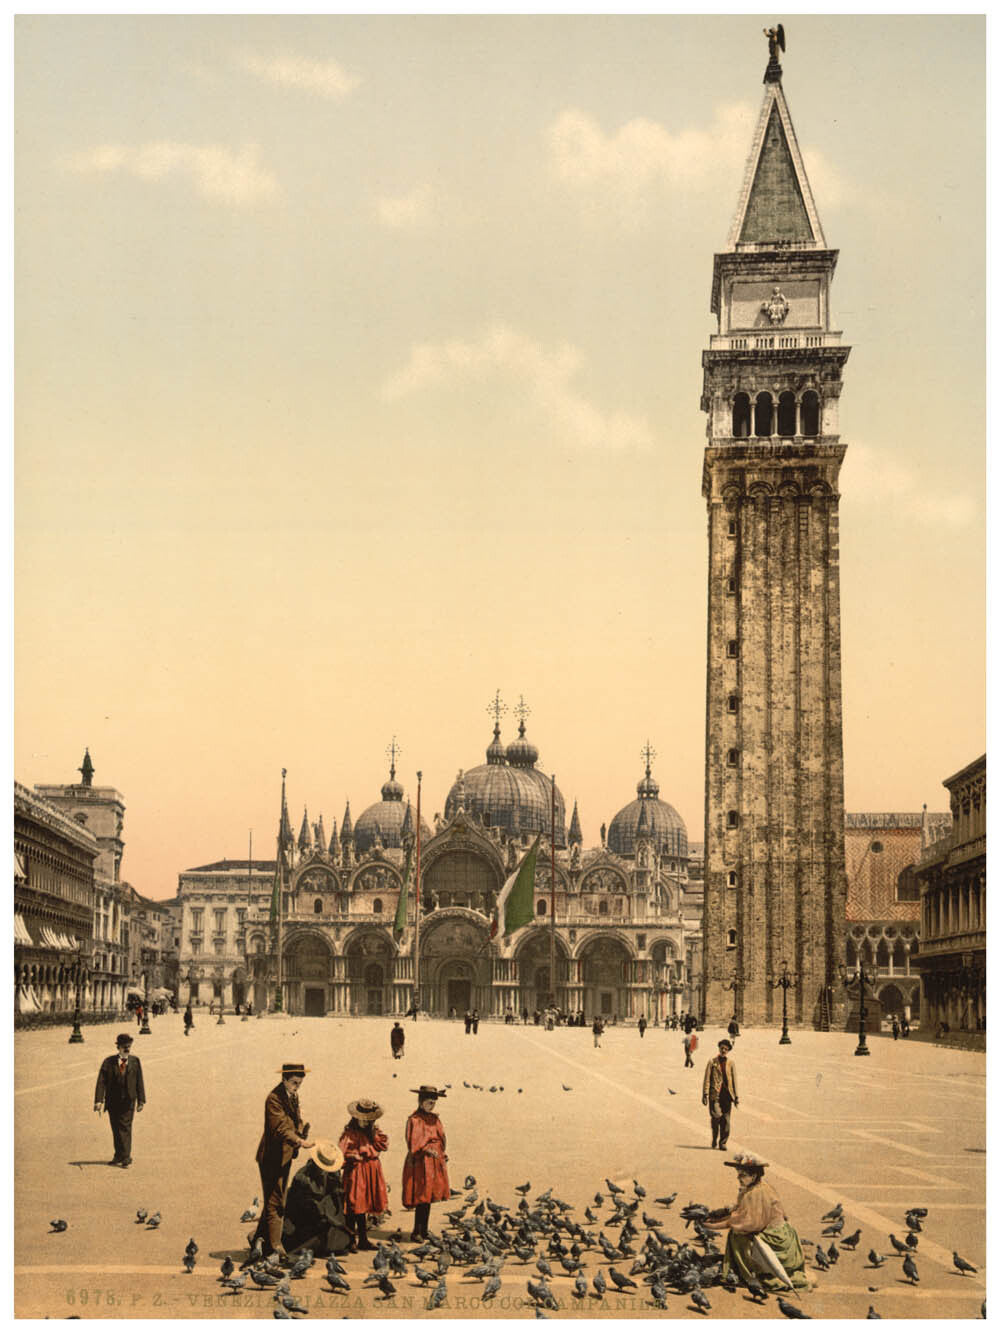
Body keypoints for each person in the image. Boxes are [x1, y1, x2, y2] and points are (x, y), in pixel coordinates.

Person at [705, 1152, 808, 1291]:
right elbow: (741, 1210)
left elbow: (748, 1224)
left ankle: (747, 1273)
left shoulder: (756, 1193)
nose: (738, 1178)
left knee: (738, 1236)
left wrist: (713, 1226)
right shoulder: (760, 1186)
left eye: (742, 1175)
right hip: (784, 1233)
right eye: (738, 1174)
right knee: (737, 1231)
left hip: (776, 1238)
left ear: (753, 1176)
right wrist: (723, 1213)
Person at [252, 1062, 314, 1259]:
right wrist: (299, 1141)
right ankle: (275, 1247)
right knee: (276, 1201)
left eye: (300, 1083)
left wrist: (301, 1129)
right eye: (294, 1083)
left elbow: (295, 1120)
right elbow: (279, 1128)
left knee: (274, 1198)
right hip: (272, 1158)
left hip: (284, 1155)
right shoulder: (274, 1099)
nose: (297, 1087)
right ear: (284, 1079)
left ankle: (258, 1240)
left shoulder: (291, 1095)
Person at [281, 1140, 351, 1257]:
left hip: (321, 1216)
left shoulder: (331, 1175)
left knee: (339, 1239)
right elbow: (304, 1205)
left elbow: (334, 1199)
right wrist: (326, 1216)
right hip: (303, 1218)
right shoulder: (303, 1177)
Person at [339, 1098, 389, 1252]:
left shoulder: (373, 1132)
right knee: (354, 1205)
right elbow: (340, 1153)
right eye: (363, 1119)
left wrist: (374, 1133)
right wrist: (352, 1156)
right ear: (355, 1118)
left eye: (368, 1120)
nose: (365, 1122)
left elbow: (383, 1145)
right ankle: (350, 1241)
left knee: (364, 1205)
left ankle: (363, 1239)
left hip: (370, 1171)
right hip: (356, 1172)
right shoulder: (349, 1134)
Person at [403, 1085, 450, 1242]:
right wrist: (427, 1150)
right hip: (420, 1162)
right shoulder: (414, 1120)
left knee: (429, 1196)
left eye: (434, 1103)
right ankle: (416, 1231)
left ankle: (424, 1230)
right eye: (429, 1103)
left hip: (434, 1161)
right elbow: (413, 1143)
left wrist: (442, 1153)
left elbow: (441, 1138)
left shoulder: (435, 1119)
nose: (432, 1106)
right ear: (421, 1101)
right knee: (421, 1196)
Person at [94, 1032, 146, 1168]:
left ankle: (126, 1157)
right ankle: (118, 1155)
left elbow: (139, 1081)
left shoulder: (135, 1061)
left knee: (125, 1128)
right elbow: (101, 1082)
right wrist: (98, 1101)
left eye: (129, 1046)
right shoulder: (108, 1062)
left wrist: (141, 1100)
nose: (127, 1049)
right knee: (116, 1128)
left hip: (129, 1100)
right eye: (124, 1047)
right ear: (118, 1047)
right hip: (113, 1101)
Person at [703, 1039, 739, 1150]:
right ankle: (715, 1137)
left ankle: (723, 1142)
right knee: (716, 1116)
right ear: (719, 1048)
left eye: (726, 1049)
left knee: (726, 1120)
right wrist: (705, 1093)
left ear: (728, 1050)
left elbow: (734, 1080)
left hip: (727, 1095)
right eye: (722, 1048)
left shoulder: (731, 1063)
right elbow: (707, 1079)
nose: (723, 1050)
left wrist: (736, 1096)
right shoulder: (712, 1062)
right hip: (715, 1094)